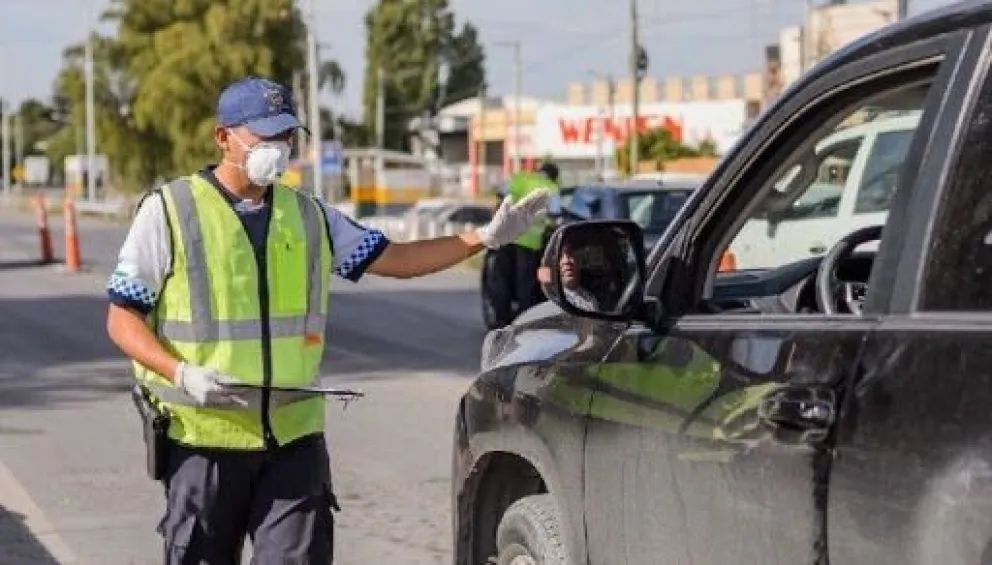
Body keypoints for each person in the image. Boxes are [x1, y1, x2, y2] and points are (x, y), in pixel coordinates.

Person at [104, 76, 549, 564]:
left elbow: (396, 259)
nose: (279, 147)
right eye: (264, 135)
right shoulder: (170, 211)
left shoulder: (310, 215)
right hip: (203, 439)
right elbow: (123, 319)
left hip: (293, 439)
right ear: (222, 137)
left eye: (287, 136)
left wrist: (484, 238)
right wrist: (181, 373)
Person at [488, 161, 561, 326]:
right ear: (554, 176)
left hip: (505, 237)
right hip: (528, 242)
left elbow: (500, 196)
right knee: (525, 284)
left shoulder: (520, 178)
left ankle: (501, 320)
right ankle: (524, 323)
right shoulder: (551, 188)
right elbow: (556, 216)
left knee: (502, 279)